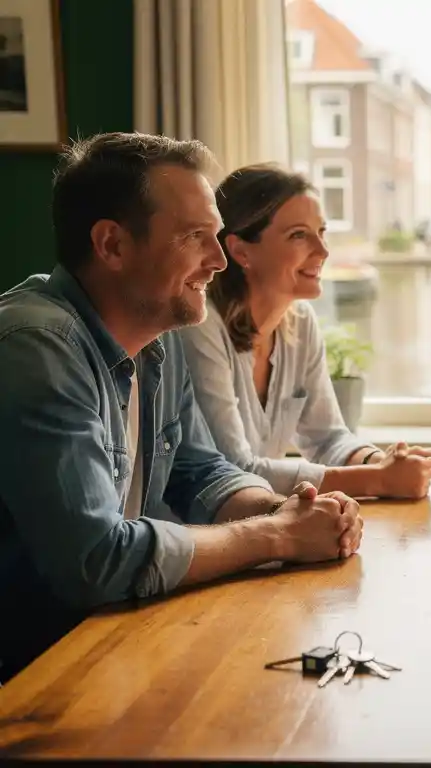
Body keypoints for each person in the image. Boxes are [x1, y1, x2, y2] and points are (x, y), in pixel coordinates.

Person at [0, 133, 363, 683]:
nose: (219, 261)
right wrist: (279, 535)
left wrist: (286, 509)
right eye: (196, 237)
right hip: (27, 672)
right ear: (112, 246)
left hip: (99, 646)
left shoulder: (158, 337)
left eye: (217, 237)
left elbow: (200, 470)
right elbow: (96, 560)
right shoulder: (36, 348)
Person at [179, 164, 431, 500]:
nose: (323, 251)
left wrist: (380, 460)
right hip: (202, 539)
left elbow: (328, 438)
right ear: (241, 251)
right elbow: (235, 470)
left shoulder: (299, 321)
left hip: (263, 530)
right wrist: (378, 480)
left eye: (322, 232)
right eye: (299, 235)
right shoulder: (200, 327)